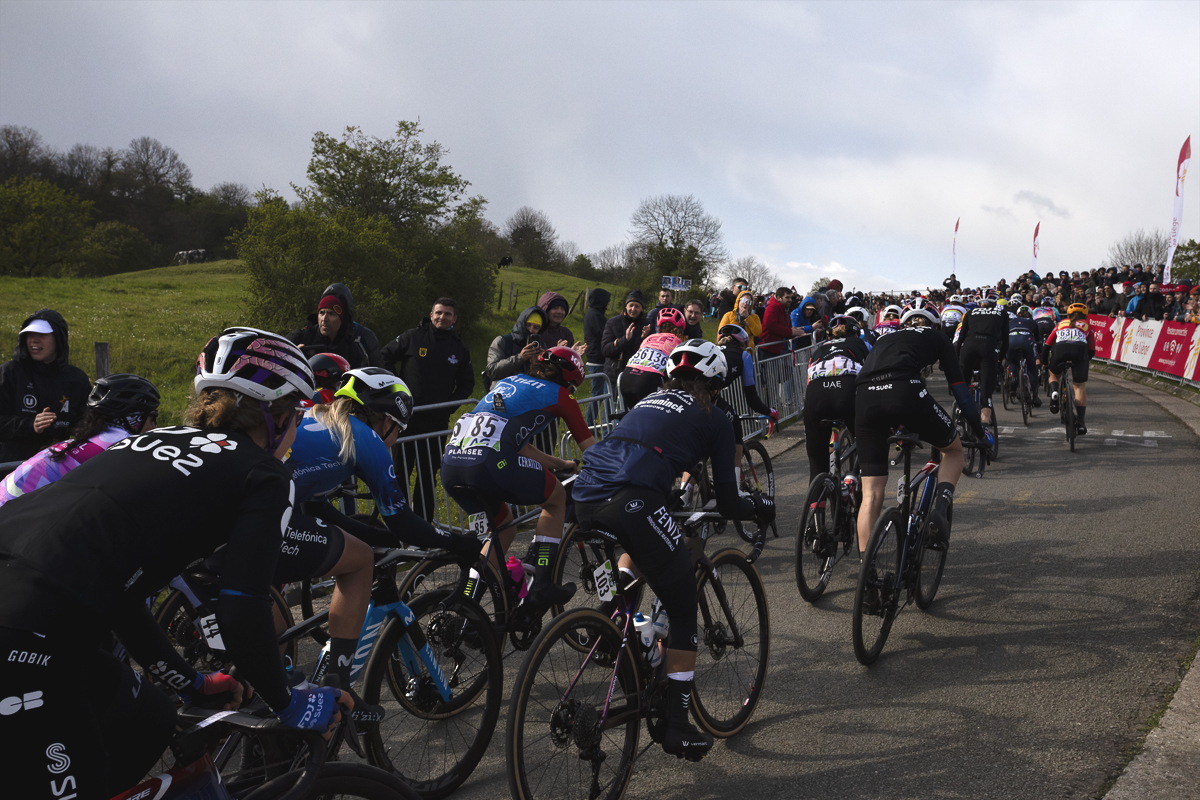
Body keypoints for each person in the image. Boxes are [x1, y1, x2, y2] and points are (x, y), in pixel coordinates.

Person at [0, 327, 351, 798]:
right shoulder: (261, 472)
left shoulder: (148, 440)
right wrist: (288, 702)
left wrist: (188, 680)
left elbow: (117, 596)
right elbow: (243, 605)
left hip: (42, 613)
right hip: (28, 632)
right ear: (280, 418)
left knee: (151, 720)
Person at [573, 339, 774, 761]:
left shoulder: (649, 401)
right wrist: (759, 506)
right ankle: (678, 725)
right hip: (634, 498)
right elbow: (728, 497)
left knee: (647, 547)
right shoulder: (715, 417)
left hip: (589, 494)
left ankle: (621, 629)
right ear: (717, 384)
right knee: (682, 603)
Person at [286, 367, 479, 704]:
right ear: (387, 419)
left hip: (254, 511)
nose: (395, 439)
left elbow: (316, 511)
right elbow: (403, 522)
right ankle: (337, 683)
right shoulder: (364, 437)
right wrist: (453, 541)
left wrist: (382, 538)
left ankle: (271, 684)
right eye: (399, 431)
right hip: (263, 517)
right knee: (359, 560)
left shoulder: (320, 417)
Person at [442, 346, 596, 620]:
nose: (571, 393)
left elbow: (522, 447)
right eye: (573, 387)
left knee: (503, 528)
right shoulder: (561, 395)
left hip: (453, 465)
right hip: (490, 464)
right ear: (568, 381)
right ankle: (544, 582)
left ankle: (467, 607)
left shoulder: (509, 381)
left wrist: (561, 465)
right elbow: (592, 451)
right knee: (556, 497)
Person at [854, 308, 988, 558]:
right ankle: (939, 509)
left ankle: (867, 575)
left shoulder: (885, 337)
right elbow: (961, 394)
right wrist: (980, 432)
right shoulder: (939, 338)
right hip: (904, 389)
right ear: (936, 325)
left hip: (865, 395)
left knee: (870, 494)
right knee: (954, 450)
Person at [380, 298, 475, 521]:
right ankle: (400, 523)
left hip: (436, 422)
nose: (442, 317)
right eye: (439, 313)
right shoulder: (412, 337)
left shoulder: (459, 348)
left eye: (448, 314)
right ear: (431, 315)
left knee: (427, 475)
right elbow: (384, 356)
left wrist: (449, 407)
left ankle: (423, 525)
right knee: (400, 472)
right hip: (404, 418)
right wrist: (394, 389)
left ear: (455, 318)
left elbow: (467, 383)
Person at [0, 373, 159, 506]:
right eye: (152, 420)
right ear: (134, 418)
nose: (155, 428)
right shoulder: (121, 445)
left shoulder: (92, 439)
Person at [0, 310, 91, 463]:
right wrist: (31, 425)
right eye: (29, 335)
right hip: (12, 469)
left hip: (56, 467)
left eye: (42, 335)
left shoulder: (77, 379)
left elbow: (88, 421)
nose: (34, 340)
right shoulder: (9, 373)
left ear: (59, 338)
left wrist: (82, 430)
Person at [802, 315, 871, 482]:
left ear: (829, 336)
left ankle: (817, 504)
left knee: (817, 463)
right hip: (847, 391)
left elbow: (809, 380)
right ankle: (852, 478)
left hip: (816, 395)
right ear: (855, 334)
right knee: (868, 440)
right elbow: (872, 375)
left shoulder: (819, 349)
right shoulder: (863, 344)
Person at [287, 283, 383, 369]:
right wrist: (291, 359)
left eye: (331, 313)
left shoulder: (362, 339)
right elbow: (274, 367)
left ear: (343, 318)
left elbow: (380, 376)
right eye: (321, 313)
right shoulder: (300, 337)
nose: (324, 319)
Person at [955, 292, 1009, 435]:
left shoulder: (970, 312)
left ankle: (960, 416)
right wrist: (1000, 358)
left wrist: (957, 357)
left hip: (968, 346)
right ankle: (984, 430)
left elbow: (961, 338)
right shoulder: (1001, 313)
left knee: (964, 388)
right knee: (986, 394)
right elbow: (1005, 340)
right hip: (988, 347)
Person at [1044, 303, 1096, 435]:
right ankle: (1081, 422)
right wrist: (1084, 361)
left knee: (1054, 374)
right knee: (1079, 386)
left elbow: (1047, 345)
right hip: (1079, 351)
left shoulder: (1060, 324)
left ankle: (1055, 392)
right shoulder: (1087, 326)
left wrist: (1045, 362)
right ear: (1085, 315)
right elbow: (1091, 350)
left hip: (1060, 350)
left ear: (1067, 315)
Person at [618, 307, 685, 409]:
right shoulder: (677, 341)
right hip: (649, 382)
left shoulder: (649, 337)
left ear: (659, 328)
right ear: (680, 331)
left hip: (626, 379)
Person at [485, 305, 545, 388]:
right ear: (521, 323)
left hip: (529, 395)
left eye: (536, 327)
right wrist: (520, 358)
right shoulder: (503, 341)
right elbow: (492, 372)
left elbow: (546, 380)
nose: (531, 330)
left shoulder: (541, 346)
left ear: (540, 330)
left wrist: (538, 363)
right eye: (528, 325)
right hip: (503, 394)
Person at [601, 290, 650, 388]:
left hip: (636, 377)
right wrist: (625, 340)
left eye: (637, 306)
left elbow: (649, 354)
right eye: (631, 305)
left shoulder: (647, 325)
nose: (633, 309)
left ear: (642, 308)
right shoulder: (613, 322)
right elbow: (605, 349)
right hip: (613, 376)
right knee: (610, 403)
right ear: (626, 306)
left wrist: (644, 339)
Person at [583, 288, 612, 425]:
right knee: (597, 395)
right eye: (606, 301)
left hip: (595, 357)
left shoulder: (593, 313)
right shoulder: (595, 315)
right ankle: (589, 425)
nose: (607, 304)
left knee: (598, 394)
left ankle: (591, 424)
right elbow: (604, 334)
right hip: (597, 359)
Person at [1006, 306, 1042, 406]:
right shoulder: (1032, 322)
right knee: (1032, 368)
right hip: (1026, 342)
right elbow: (1038, 340)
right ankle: (1035, 396)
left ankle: (1014, 382)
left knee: (1013, 362)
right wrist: (1040, 351)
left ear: (1017, 314)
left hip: (1011, 342)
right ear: (1030, 315)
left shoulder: (1011, 321)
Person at [759, 286, 807, 355]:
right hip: (766, 349)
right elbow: (771, 325)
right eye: (787, 297)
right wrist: (791, 332)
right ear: (779, 298)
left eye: (791, 297)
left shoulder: (786, 309)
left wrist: (795, 332)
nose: (790, 300)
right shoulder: (772, 307)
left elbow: (787, 330)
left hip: (777, 349)